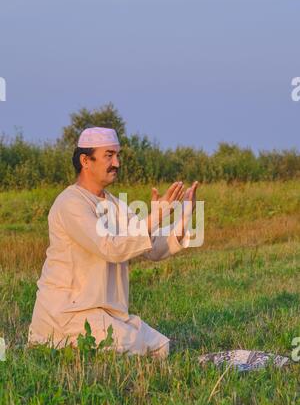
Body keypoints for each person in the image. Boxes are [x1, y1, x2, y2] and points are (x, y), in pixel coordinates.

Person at [28, 127, 198, 359]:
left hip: (108, 314)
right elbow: (111, 247)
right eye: (109, 155)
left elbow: (152, 248)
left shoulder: (116, 205)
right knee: (137, 347)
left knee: (160, 347)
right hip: (68, 314)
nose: (116, 163)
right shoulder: (70, 203)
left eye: (118, 155)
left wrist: (184, 216)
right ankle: (47, 342)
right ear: (85, 160)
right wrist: (155, 217)